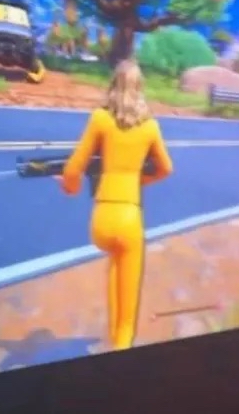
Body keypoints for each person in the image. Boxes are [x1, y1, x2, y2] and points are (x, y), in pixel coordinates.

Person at [61, 59, 174, 350]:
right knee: (127, 312)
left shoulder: (100, 118)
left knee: (113, 262)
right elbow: (166, 168)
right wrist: (138, 182)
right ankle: (120, 348)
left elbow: (72, 170)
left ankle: (113, 339)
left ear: (113, 85)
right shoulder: (150, 127)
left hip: (101, 218)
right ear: (140, 88)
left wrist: (70, 188)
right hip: (129, 216)